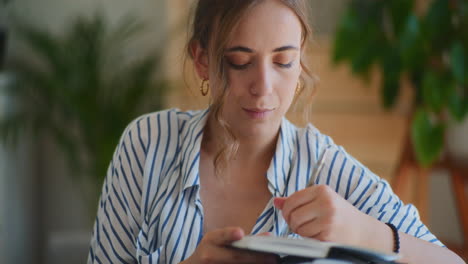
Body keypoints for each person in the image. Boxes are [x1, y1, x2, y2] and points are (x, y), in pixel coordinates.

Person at [87, 0, 465, 263]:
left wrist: (364, 231)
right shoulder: (147, 145)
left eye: (284, 62)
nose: (263, 87)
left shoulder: (324, 167)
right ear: (202, 60)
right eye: (239, 62)